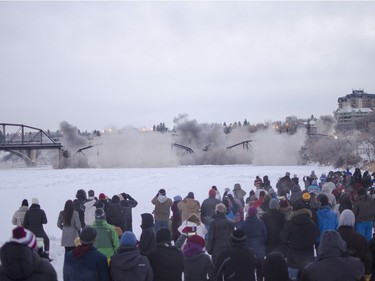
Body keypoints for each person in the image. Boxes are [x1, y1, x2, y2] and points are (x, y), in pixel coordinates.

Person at [280, 200, 316, 281]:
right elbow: (315, 237)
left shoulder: (290, 223)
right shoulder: (311, 223)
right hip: (308, 258)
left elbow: (283, 237)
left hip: (293, 258)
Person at [337, 209, 372, 281]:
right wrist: (367, 277)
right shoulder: (361, 239)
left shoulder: (334, 237)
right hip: (356, 276)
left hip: (337, 275)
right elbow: (367, 260)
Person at [238, 207, 267, 281]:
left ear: (248, 214)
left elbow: (239, 236)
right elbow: (265, 235)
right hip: (260, 251)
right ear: (256, 213)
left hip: (248, 251)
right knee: (260, 272)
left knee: (249, 272)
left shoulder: (243, 224)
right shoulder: (261, 223)